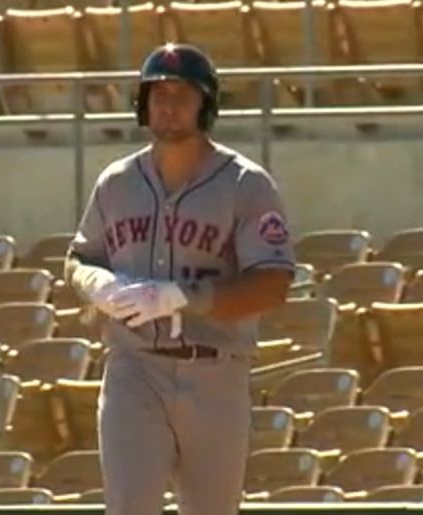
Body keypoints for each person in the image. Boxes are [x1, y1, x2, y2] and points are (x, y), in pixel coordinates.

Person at [64, 42, 296, 515]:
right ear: (142, 104)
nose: (167, 105)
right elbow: (79, 257)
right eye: (158, 94)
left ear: (206, 105)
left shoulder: (244, 184)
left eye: (182, 94)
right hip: (135, 368)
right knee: (129, 506)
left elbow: (273, 281)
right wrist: (97, 286)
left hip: (215, 371)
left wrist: (180, 296)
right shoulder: (116, 182)